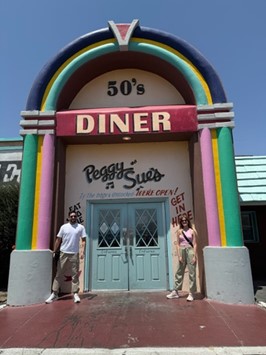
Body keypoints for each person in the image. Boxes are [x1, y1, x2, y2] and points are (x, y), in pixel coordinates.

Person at [45, 211, 87, 304]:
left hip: (74, 253)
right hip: (63, 253)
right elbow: (58, 239)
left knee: (75, 274)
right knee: (59, 273)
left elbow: (83, 240)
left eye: (74, 216)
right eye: (71, 216)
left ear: (76, 217)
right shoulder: (64, 227)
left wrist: (82, 252)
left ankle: (75, 293)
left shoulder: (80, 227)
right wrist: (55, 251)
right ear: (68, 217)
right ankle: (54, 294)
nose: (73, 217)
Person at [166, 215, 198, 302]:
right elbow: (177, 244)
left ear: (188, 221)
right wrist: (179, 255)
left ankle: (191, 293)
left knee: (192, 272)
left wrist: (194, 255)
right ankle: (175, 292)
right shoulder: (179, 231)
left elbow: (195, 244)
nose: (184, 222)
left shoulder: (192, 231)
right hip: (182, 250)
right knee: (179, 271)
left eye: (185, 220)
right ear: (181, 222)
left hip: (190, 250)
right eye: (182, 221)